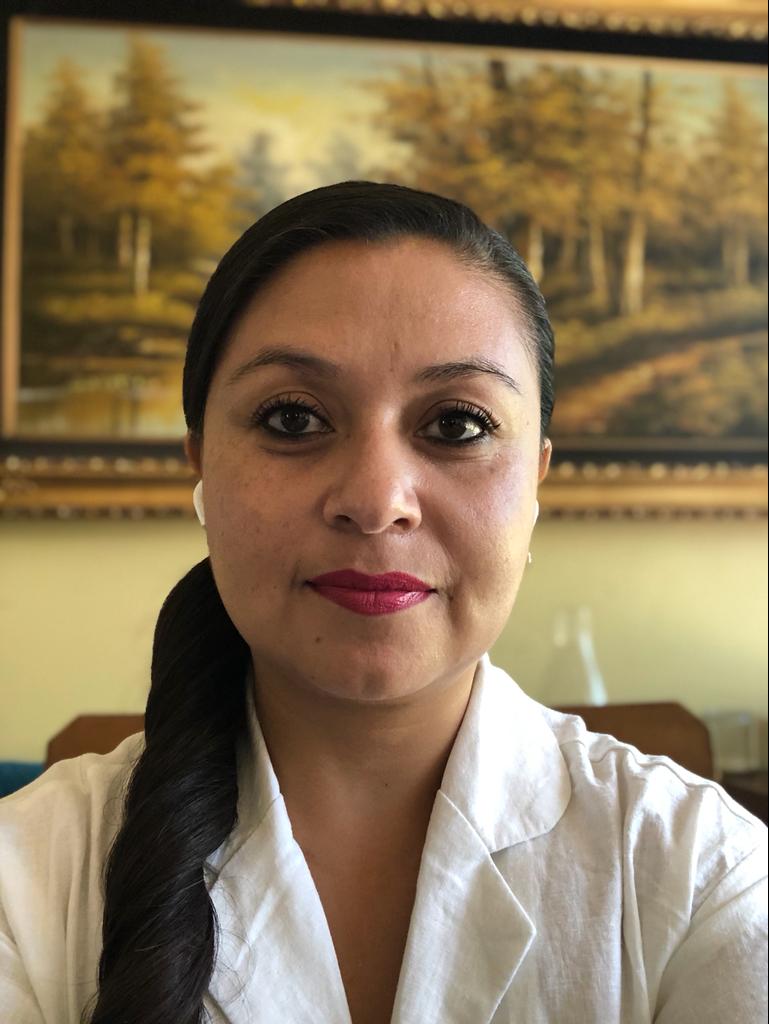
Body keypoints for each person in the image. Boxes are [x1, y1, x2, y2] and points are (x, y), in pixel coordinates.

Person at [0, 181, 766, 1024]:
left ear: (535, 482)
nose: (374, 501)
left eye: (457, 426)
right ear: (202, 467)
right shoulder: (24, 881)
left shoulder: (706, 878)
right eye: (292, 420)